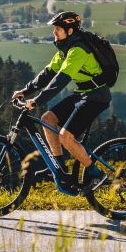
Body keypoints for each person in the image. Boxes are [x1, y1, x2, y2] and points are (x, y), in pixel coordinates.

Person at [12, 11, 111, 189]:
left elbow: (60, 80)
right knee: (47, 119)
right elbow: (48, 73)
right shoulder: (65, 50)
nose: (54, 32)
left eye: (58, 28)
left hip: (97, 96)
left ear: (70, 31)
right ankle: (59, 169)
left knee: (66, 137)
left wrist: (37, 100)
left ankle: (96, 174)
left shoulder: (78, 50)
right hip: (82, 93)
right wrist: (25, 91)